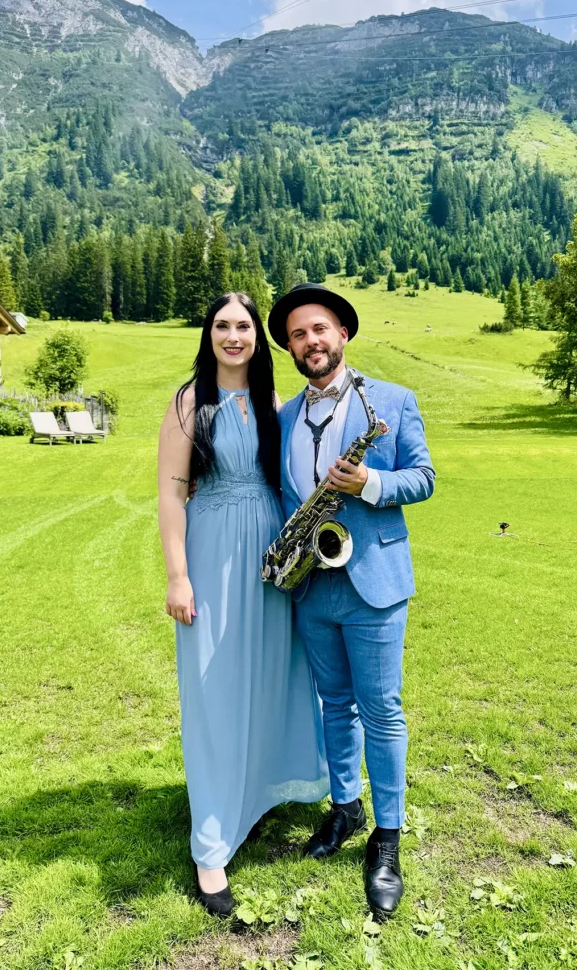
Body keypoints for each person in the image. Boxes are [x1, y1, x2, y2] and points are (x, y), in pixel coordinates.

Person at [157, 292, 329, 919]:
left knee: (269, 679)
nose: (233, 336)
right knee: (213, 688)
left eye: (244, 327)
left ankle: (249, 800)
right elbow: (172, 498)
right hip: (210, 553)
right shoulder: (187, 404)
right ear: (208, 335)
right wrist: (179, 577)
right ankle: (210, 847)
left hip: (267, 556)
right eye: (222, 325)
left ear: (260, 339)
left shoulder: (272, 405)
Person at [267, 283, 435, 918]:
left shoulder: (392, 400)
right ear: (290, 346)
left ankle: (387, 837)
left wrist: (370, 482)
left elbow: (424, 477)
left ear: (344, 334)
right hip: (313, 581)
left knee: (382, 709)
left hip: (375, 582)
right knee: (333, 704)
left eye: (321, 329)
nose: (311, 341)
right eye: (298, 334)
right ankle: (345, 807)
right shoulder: (283, 416)